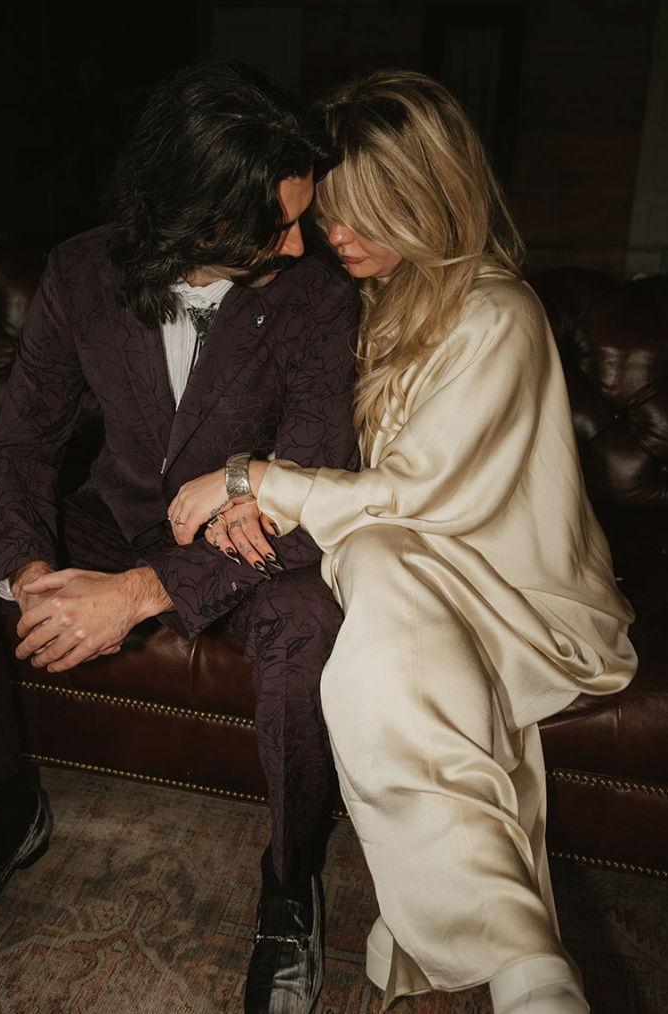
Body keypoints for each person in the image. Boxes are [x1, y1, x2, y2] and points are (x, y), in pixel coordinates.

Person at [0, 61, 362, 1014]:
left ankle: (290, 880)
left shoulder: (319, 294)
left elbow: (313, 485)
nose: (301, 240)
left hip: (249, 537)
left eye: (301, 216)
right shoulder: (80, 271)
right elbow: (24, 444)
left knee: (309, 627)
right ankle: (10, 811)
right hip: (116, 515)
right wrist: (30, 575)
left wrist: (139, 594)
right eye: (276, 223)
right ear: (194, 213)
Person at [167, 71, 638, 1014]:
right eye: (331, 211)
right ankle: (531, 972)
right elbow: (329, 448)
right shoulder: (374, 299)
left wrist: (253, 480)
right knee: (378, 579)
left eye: (367, 213)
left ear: (430, 197)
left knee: (379, 565)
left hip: (517, 600)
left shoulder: (498, 314)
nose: (336, 235)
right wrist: (254, 499)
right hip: (409, 575)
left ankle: (518, 962)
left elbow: (418, 494)